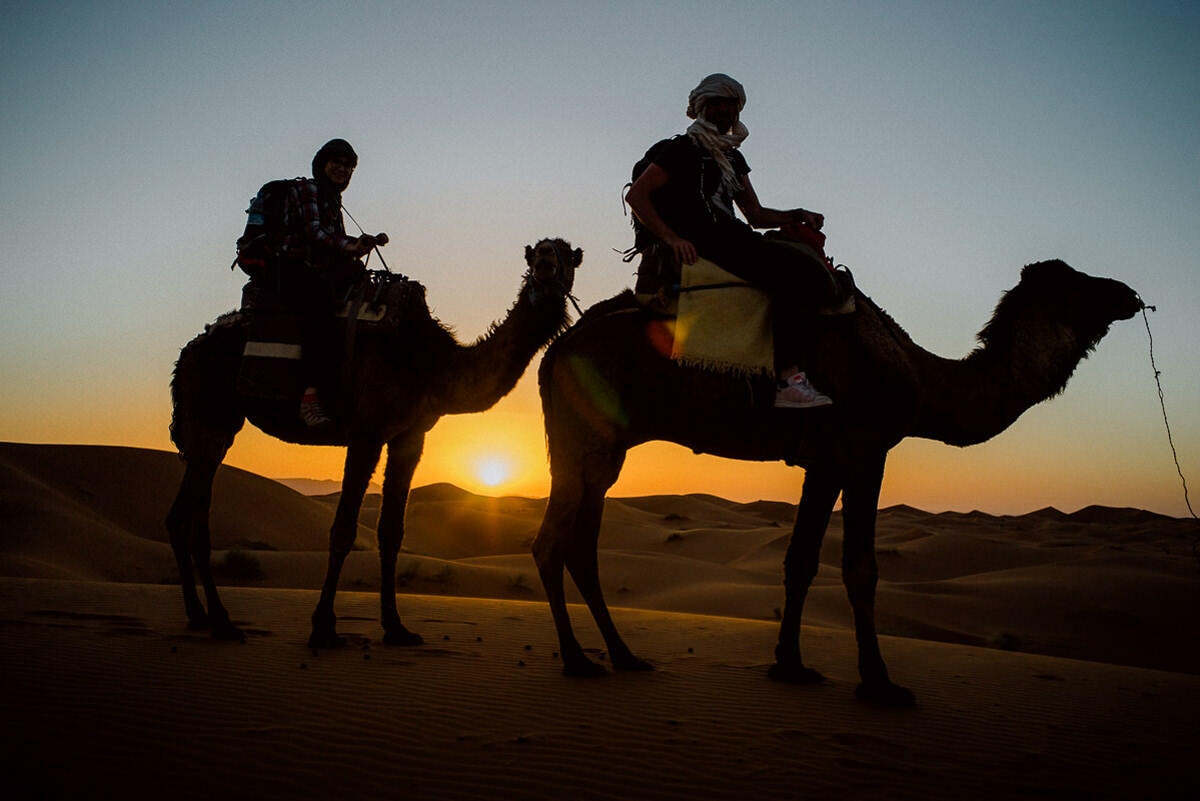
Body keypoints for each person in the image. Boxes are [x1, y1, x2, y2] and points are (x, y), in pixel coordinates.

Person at [624, 74, 835, 409]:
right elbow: (638, 196)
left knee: (803, 259)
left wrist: (796, 214)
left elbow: (754, 214)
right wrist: (672, 238)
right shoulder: (681, 149)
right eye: (716, 103)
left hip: (733, 235)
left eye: (730, 104)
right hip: (707, 239)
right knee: (798, 274)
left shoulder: (732, 157)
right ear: (702, 106)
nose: (724, 109)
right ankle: (788, 378)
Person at [277, 138, 388, 426]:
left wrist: (362, 244)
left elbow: (335, 242)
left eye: (348, 166)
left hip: (323, 270)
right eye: (337, 163)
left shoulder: (333, 202)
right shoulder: (308, 189)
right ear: (322, 164)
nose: (343, 169)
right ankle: (310, 398)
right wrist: (350, 247)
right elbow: (314, 233)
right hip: (295, 268)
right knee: (322, 310)